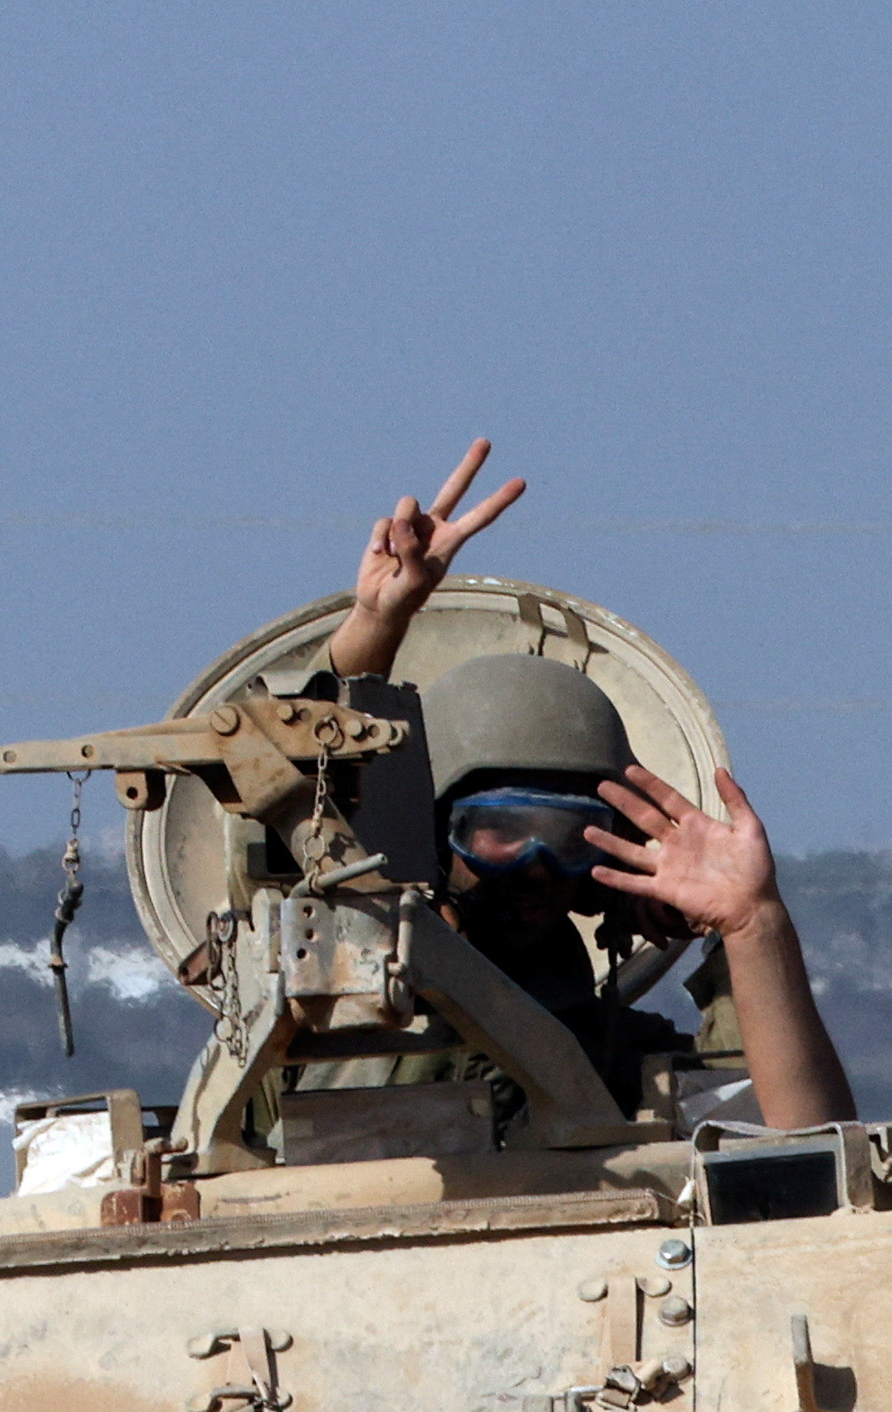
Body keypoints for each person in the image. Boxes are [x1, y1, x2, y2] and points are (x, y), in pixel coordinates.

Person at [326, 439, 854, 1134]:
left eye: (570, 840)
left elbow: (807, 1146)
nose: (536, 871)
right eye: (502, 832)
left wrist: (751, 926)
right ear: (432, 835)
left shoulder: (621, 1062)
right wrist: (377, 621)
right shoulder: (329, 1047)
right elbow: (302, 795)